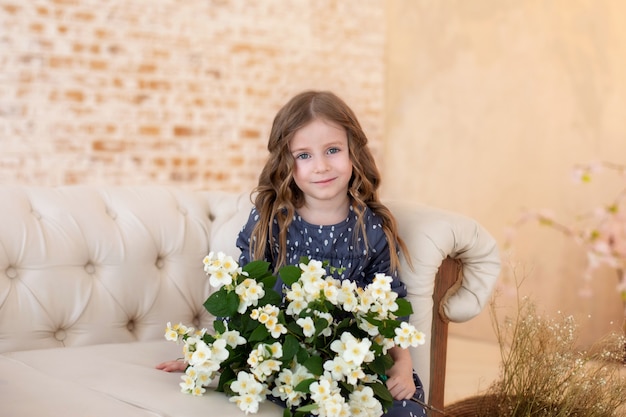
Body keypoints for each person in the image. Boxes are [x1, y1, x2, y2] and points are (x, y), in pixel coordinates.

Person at [158, 90, 426, 417]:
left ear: (353, 151)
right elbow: (244, 295)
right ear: (286, 162)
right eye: (304, 155)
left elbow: (389, 306)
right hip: (287, 360)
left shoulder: (370, 228)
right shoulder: (273, 219)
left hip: (352, 357)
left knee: (402, 408)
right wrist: (211, 356)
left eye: (333, 150)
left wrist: (402, 364)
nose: (322, 166)